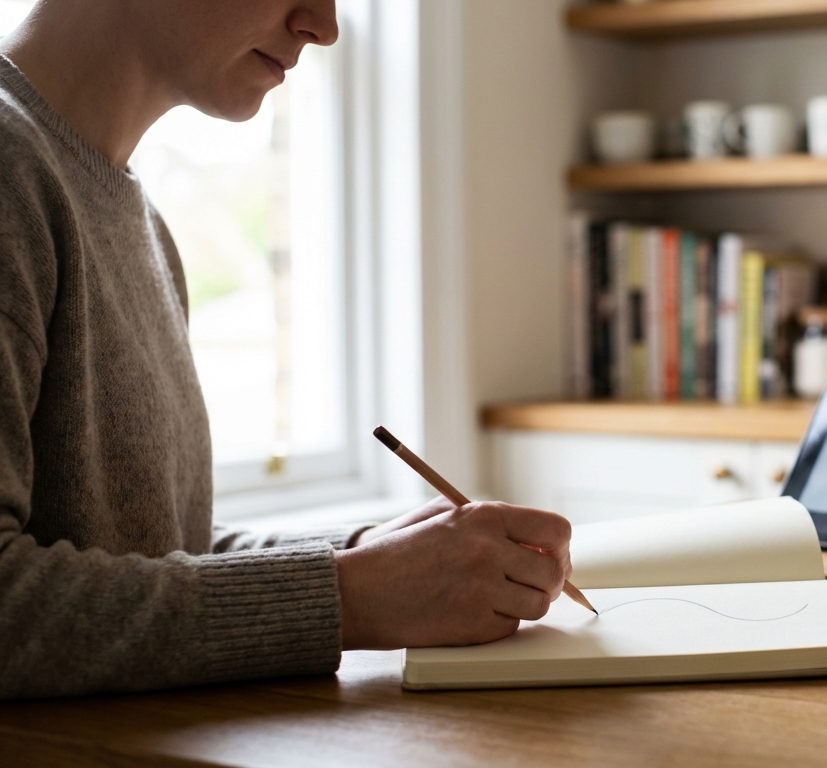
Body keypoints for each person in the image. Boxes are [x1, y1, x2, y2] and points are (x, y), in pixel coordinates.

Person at [0, 0, 572, 700]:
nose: (324, 25)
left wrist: (367, 554)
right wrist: (352, 595)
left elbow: (142, 557)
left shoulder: (133, 216)